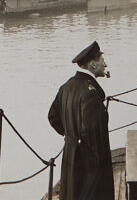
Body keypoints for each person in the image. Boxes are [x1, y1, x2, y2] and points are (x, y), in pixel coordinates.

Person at [48, 41, 114, 200]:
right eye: (101, 60)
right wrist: (97, 164)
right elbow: (92, 132)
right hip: (89, 162)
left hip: (71, 155)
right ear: (92, 65)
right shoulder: (91, 93)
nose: (105, 64)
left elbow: (53, 116)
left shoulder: (67, 87)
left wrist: (71, 135)